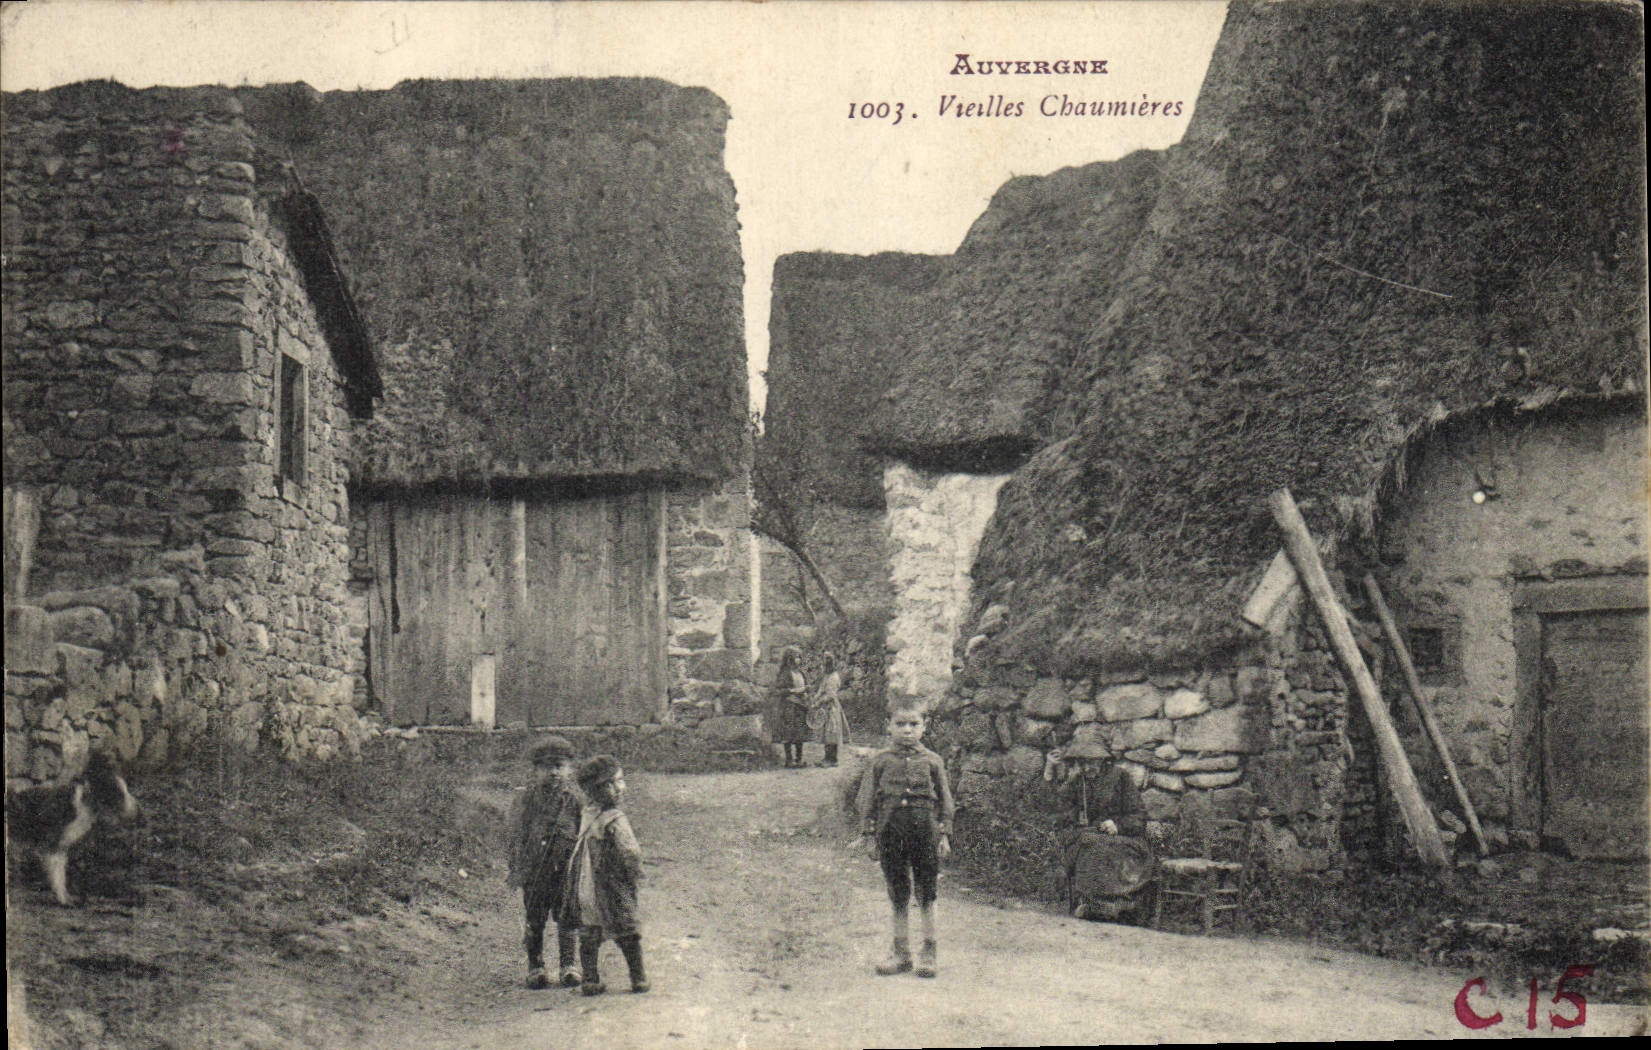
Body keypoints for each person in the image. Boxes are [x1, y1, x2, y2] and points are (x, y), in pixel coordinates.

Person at [855, 700, 955, 978]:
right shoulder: (880, 761)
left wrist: (944, 834)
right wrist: (869, 835)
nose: (907, 730)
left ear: (925, 727)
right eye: (900, 724)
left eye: (914, 724)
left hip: (925, 833)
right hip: (891, 833)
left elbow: (946, 800)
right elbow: (866, 799)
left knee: (926, 892)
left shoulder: (933, 761)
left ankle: (929, 951)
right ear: (888, 726)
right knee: (898, 892)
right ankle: (901, 952)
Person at [560, 755, 647, 995]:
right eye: (618, 781)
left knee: (590, 929)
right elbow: (630, 850)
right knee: (626, 928)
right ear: (605, 787)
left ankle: (590, 979)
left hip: (586, 884)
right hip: (610, 884)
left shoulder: (587, 813)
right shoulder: (615, 818)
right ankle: (638, 977)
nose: (623, 787)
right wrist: (635, 874)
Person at [506, 735, 584, 989]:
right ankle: (536, 966)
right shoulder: (526, 800)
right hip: (536, 870)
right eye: (546, 767)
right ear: (535, 771)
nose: (553, 773)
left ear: (570, 770)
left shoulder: (574, 802)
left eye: (559, 767)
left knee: (568, 916)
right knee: (535, 918)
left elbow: (583, 834)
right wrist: (516, 867)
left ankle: (569, 965)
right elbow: (515, 834)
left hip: (566, 869)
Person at [1048, 740, 1151, 921]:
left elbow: (1139, 817)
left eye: (1092, 762)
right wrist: (1050, 771)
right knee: (1087, 843)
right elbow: (1055, 806)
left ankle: (1113, 905)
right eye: (1083, 763)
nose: (1088, 768)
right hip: (1090, 838)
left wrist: (1118, 825)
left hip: (1126, 839)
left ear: (1104, 761)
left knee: (1098, 846)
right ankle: (1095, 904)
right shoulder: (1077, 782)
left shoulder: (1120, 778)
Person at [770, 646, 811, 768]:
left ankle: (799, 759)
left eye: (799, 657)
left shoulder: (801, 673)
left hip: (801, 706)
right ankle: (789, 760)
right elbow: (779, 690)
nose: (798, 660)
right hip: (789, 706)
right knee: (788, 733)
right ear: (789, 659)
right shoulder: (785, 673)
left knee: (800, 733)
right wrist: (797, 690)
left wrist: (806, 693)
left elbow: (805, 687)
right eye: (795, 657)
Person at [807, 652, 849, 767]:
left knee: (832, 732)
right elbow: (821, 689)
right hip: (825, 706)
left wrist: (819, 702)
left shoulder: (834, 677)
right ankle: (827, 758)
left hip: (831, 707)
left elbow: (830, 695)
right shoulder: (827, 676)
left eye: (826, 664)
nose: (824, 667)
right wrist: (815, 699)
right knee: (826, 733)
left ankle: (832, 759)